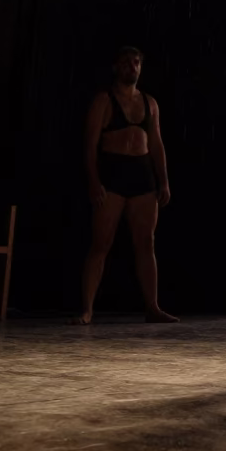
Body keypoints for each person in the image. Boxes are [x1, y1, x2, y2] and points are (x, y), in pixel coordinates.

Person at [72, 46, 177, 324]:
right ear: (116, 68)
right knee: (100, 244)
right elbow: (89, 146)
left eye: (137, 62)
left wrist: (163, 180)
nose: (133, 66)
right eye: (127, 62)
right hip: (113, 174)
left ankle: (153, 308)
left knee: (146, 243)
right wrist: (94, 182)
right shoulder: (103, 101)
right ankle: (87, 310)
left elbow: (156, 145)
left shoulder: (150, 103)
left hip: (143, 176)